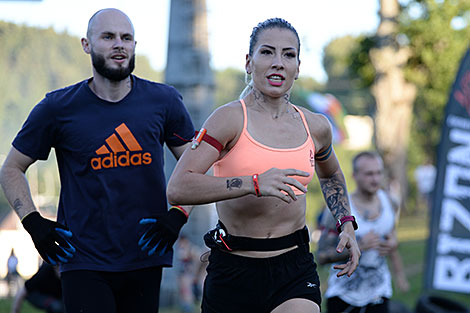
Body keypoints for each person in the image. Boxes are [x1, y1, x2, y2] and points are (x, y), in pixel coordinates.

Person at [0, 8, 194, 313]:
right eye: (108, 37)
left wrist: (178, 215)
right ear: (86, 44)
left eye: (126, 38)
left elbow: (195, 166)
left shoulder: (164, 101)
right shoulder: (58, 107)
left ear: (134, 46)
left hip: (145, 254)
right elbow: (11, 168)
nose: (119, 44)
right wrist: (33, 223)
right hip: (82, 259)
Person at [166, 17, 360, 313]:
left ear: (298, 67)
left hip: (293, 267)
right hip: (234, 269)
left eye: (289, 55)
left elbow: (331, 174)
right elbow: (179, 187)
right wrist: (253, 183)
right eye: (267, 52)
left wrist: (345, 222)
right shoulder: (228, 119)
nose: (278, 63)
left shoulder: (315, 126)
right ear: (249, 62)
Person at [317, 151, 410, 313]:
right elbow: (322, 256)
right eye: (369, 174)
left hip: (379, 294)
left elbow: (392, 239)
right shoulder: (339, 210)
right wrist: (359, 246)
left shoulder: (390, 202)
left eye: (378, 173)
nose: (375, 179)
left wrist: (399, 273)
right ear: (354, 175)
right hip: (344, 297)